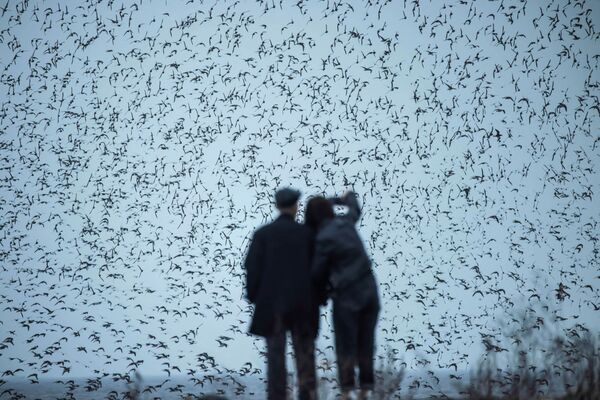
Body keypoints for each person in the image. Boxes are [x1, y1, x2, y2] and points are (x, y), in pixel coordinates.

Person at [244, 187, 320, 400]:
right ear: (296, 207)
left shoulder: (262, 235)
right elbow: (319, 270)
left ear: (277, 206)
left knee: (276, 361)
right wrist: (320, 298)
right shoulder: (308, 235)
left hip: (272, 307)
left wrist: (254, 297)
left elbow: (252, 269)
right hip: (303, 306)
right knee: (305, 360)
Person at [306, 191, 380, 400]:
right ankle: (367, 389)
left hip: (347, 295)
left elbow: (317, 273)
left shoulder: (322, 238)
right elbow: (354, 206)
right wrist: (339, 199)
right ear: (330, 211)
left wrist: (320, 296)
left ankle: (347, 391)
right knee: (367, 341)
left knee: (345, 343)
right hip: (370, 291)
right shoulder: (347, 222)